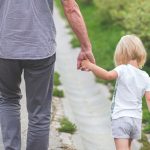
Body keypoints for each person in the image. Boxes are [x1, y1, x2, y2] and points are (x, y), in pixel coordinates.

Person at [0, 0, 95, 150]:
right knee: (39, 112)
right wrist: (85, 46)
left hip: (5, 47)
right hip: (40, 47)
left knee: (8, 100)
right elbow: (70, 7)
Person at [82, 35, 150, 150]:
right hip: (136, 120)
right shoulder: (145, 76)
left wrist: (91, 66)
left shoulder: (123, 69)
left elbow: (107, 75)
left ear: (121, 53)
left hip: (121, 118)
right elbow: (148, 99)